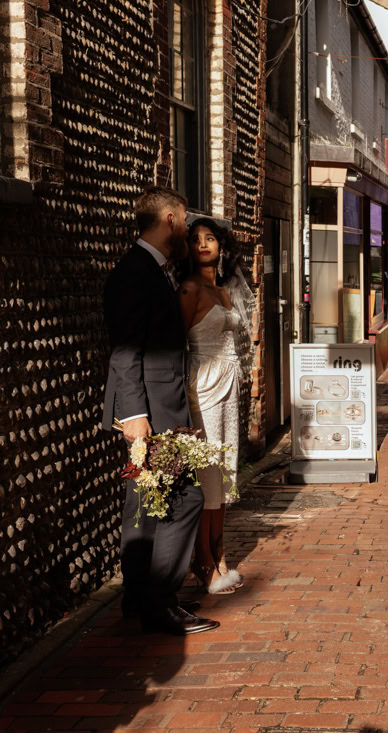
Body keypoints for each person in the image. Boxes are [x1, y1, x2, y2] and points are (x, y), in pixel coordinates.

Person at [101, 186, 219, 635]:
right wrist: (134, 413)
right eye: (185, 220)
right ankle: (160, 601)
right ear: (168, 219)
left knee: (144, 502)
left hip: (159, 405)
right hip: (149, 410)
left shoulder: (155, 269)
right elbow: (125, 349)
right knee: (185, 497)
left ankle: (139, 597)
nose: (189, 229)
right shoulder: (136, 272)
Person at [178, 218, 254, 594]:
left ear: (222, 246)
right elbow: (174, 343)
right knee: (207, 474)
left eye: (210, 238)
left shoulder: (225, 290)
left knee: (224, 470)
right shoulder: (189, 289)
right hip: (202, 387)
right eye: (195, 239)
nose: (203, 244)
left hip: (228, 387)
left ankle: (220, 553)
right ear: (187, 247)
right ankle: (203, 561)